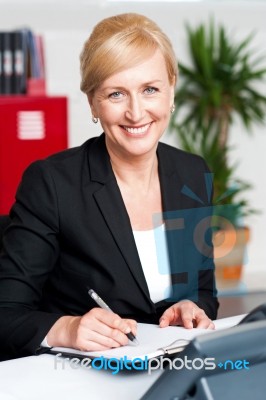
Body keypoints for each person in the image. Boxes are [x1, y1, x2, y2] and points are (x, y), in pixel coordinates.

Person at [0, 13, 218, 360]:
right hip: (79, 377)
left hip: (169, 370)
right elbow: (6, 315)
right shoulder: (52, 183)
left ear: (171, 89)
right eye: (116, 94)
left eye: (150, 89)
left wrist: (191, 306)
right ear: (93, 103)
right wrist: (67, 329)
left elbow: (205, 291)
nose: (136, 112)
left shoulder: (193, 174)